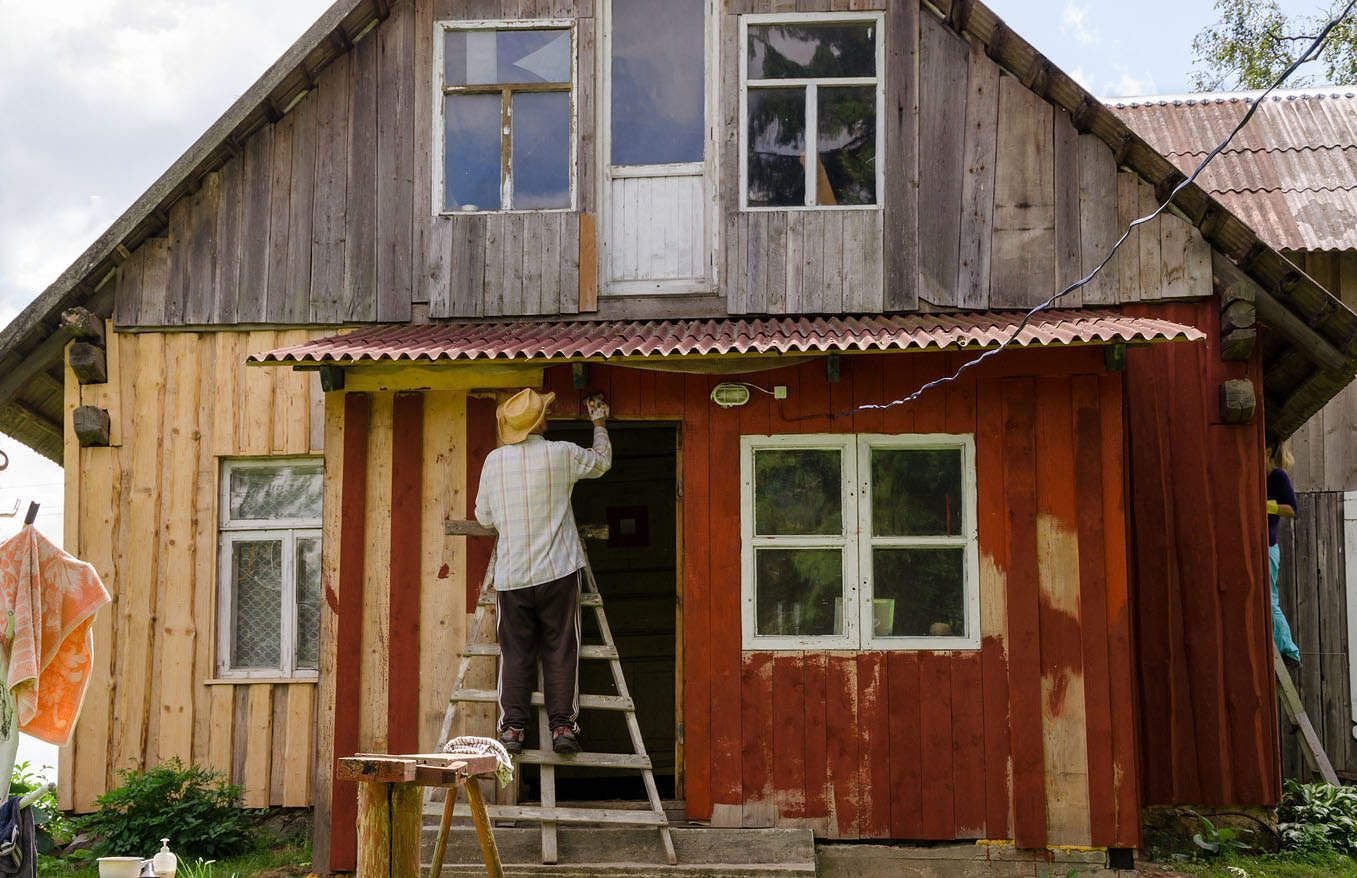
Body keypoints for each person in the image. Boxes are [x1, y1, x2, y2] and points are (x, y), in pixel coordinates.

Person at [474, 388, 612, 755]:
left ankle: (513, 730)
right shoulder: (562, 453)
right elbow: (602, 462)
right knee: (561, 648)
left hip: (513, 574)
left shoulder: (493, 462)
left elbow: (483, 516)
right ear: (541, 422)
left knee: (515, 650)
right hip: (558, 571)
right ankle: (563, 727)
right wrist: (598, 422)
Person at [1267, 440, 1302, 666]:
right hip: (1261, 547)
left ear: (1267, 452)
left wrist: (1266, 506)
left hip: (1268, 547)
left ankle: (1289, 651)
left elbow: (1292, 510)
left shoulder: (1277, 476)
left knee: (1269, 600)